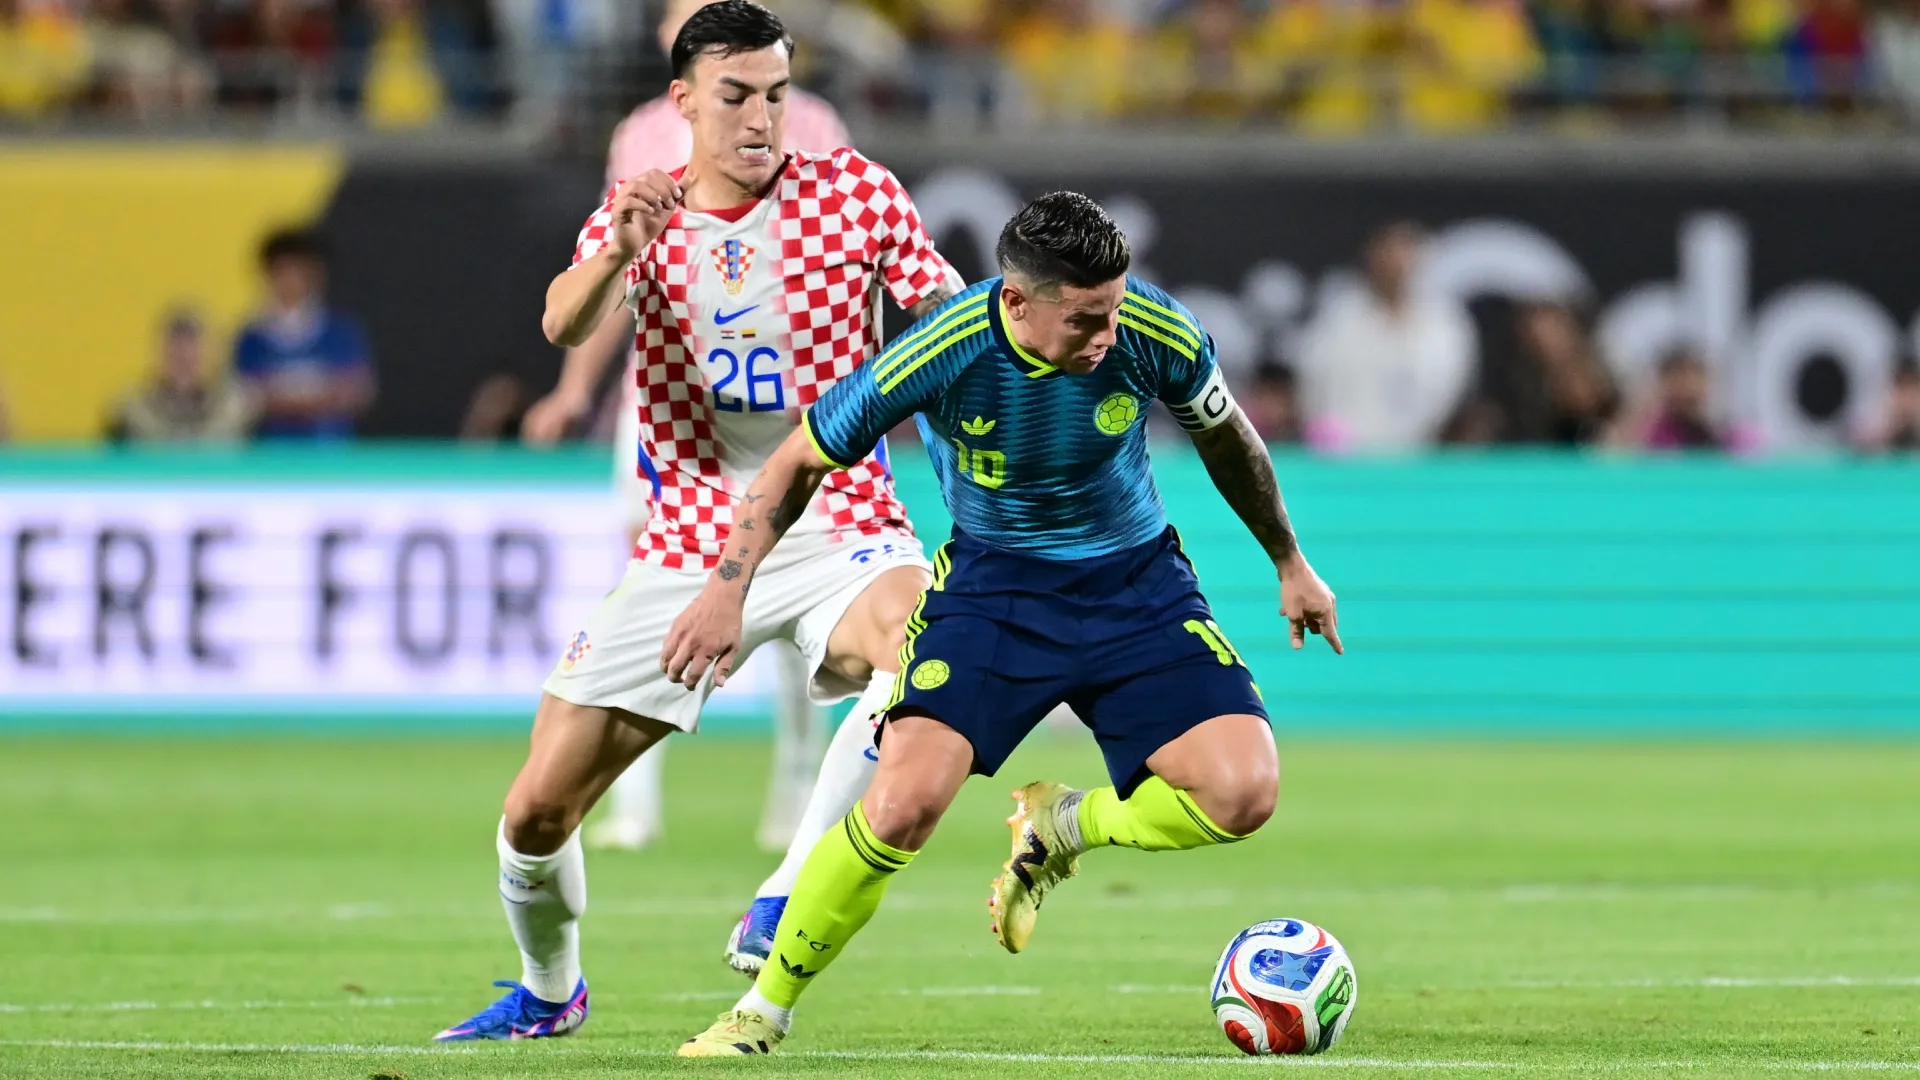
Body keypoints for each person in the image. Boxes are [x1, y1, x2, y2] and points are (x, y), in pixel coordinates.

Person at [662, 191, 1342, 1057]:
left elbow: (1227, 437)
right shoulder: (944, 348)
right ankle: (762, 1009)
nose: (1107, 334)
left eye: (1116, 308)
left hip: (1135, 584)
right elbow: (799, 458)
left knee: (1245, 793)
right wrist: (728, 588)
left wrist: (1290, 562)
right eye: (1086, 318)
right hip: (995, 594)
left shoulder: (1153, 330)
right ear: (1018, 301)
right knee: (904, 804)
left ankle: (1064, 827)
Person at [430, 0, 962, 1043]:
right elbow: (563, 320)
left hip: (835, 507)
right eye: (736, 96)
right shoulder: (645, 210)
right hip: (693, 537)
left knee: (924, 653)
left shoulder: (853, 192)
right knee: (535, 815)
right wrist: (616, 254)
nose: (763, 119)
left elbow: (944, 323)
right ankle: (550, 992)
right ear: (682, 102)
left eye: (777, 94)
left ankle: (789, 883)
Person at [520, 0, 855, 859]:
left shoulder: (816, 124)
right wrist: (571, 390)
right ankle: (634, 799)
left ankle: (793, 785)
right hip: (671, 399)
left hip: (786, 399)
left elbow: (848, 273)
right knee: (652, 576)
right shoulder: (639, 134)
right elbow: (614, 267)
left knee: (790, 595)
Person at [1296, 221, 1476, 452]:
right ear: (1372, 256)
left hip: (1423, 458)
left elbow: (1453, 394)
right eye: (1389, 251)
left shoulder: (1447, 324)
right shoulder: (1339, 318)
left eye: (1407, 251)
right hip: (1347, 459)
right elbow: (1314, 388)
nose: (1398, 263)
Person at [231, 229, 376, 440]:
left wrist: (284, 394)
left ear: (314, 275)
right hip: (272, 455)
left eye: (299, 271)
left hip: (330, 454)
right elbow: (243, 398)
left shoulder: (341, 332)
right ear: (268, 274)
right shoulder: (251, 338)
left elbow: (359, 391)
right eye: (282, 271)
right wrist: (318, 393)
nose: (291, 280)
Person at [108, 310, 257, 443]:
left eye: (193, 347)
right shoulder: (131, 411)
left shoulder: (237, 410)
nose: (184, 355)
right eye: (175, 347)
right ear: (159, 352)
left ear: (212, 353)